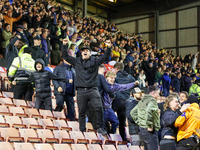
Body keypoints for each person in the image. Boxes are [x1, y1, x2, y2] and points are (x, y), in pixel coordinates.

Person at [62, 39, 112, 135]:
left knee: (99, 107)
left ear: (90, 53)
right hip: (81, 91)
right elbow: (65, 56)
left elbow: (105, 56)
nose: (85, 52)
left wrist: (109, 47)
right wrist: (64, 45)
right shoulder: (77, 61)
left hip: (93, 89)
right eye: (83, 51)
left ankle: (100, 127)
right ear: (81, 53)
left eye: (87, 51)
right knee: (81, 112)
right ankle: (82, 131)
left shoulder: (95, 60)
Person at [130, 85, 160, 150]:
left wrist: (140, 122)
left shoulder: (142, 101)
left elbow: (133, 112)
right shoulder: (152, 100)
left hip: (143, 131)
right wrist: (149, 125)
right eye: (158, 93)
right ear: (153, 93)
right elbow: (149, 111)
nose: (158, 96)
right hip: (150, 131)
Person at [113, 62, 135, 141]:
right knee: (122, 122)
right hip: (126, 102)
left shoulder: (115, 76)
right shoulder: (129, 77)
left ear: (116, 69)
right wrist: (131, 94)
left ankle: (110, 134)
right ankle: (123, 139)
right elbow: (136, 84)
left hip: (117, 100)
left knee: (106, 115)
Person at [53, 53, 76, 121]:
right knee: (59, 106)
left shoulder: (73, 69)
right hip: (60, 92)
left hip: (70, 92)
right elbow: (54, 79)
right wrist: (58, 87)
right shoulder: (58, 68)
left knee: (71, 110)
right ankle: (56, 121)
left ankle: (71, 123)